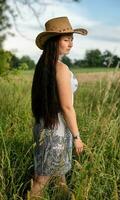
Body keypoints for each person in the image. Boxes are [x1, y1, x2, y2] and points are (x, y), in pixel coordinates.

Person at [30, 16, 88, 199]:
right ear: (54, 42)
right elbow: (66, 107)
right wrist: (77, 137)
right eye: (66, 39)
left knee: (60, 176)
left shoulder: (44, 66)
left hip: (46, 125)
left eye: (72, 39)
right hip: (57, 130)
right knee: (42, 178)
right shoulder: (61, 69)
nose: (70, 43)